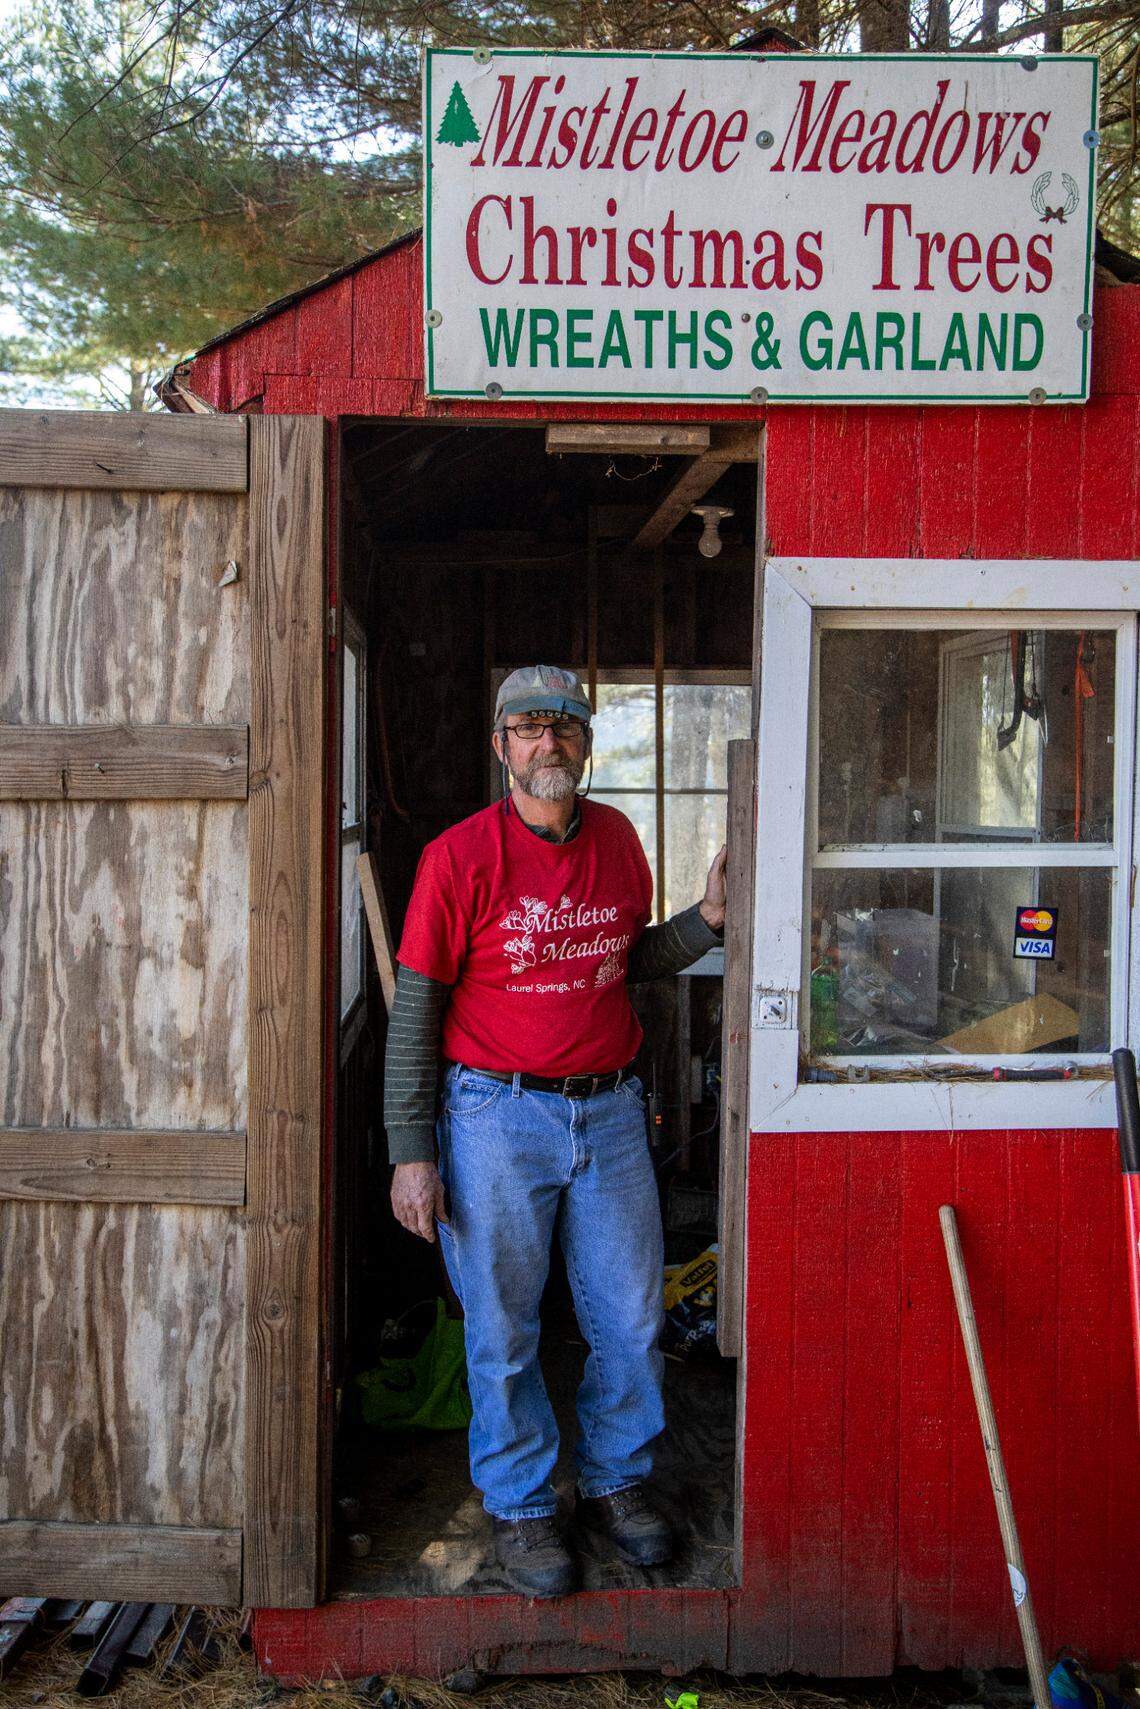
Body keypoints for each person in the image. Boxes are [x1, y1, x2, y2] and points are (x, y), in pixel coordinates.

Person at [383, 664, 727, 1598]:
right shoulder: (457, 859)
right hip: (495, 1113)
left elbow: (628, 958)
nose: (549, 745)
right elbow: (416, 1014)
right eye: (529, 728)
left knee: (631, 1313)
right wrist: (412, 1151)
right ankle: (524, 1502)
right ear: (501, 746)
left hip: (610, 1110)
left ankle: (618, 1480)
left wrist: (706, 921)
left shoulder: (617, 839)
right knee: (502, 1323)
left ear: (586, 742)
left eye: (565, 727)